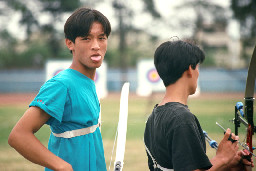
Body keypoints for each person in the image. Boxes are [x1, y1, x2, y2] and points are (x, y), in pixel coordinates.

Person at [8, 7, 111, 171]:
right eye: (86, 38)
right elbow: (18, 136)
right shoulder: (61, 84)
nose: (96, 46)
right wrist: (62, 166)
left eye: (101, 38)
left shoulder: (87, 81)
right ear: (70, 43)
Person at [144, 40, 253, 171]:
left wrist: (226, 165)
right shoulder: (181, 118)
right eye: (197, 67)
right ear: (190, 69)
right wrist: (222, 158)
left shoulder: (152, 118)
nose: (198, 73)